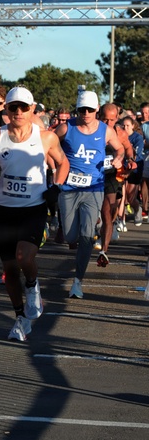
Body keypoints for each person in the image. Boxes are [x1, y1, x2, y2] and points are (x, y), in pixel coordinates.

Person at [0, 86, 68, 341]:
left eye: (23, 107)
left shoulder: (46, 137)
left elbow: (63, 162)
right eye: (13, 107)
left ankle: (33, 285)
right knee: (10, 270)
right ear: (6, 109)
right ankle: (20, 319)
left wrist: (56, 187)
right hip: (4, 210)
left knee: (24, 256)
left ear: (32, 109)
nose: (18, 112)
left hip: (33, 208)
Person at [54, 90, 124, 298]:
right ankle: (85, 227)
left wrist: (118, 159)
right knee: (70, 236)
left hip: (94, 188)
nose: (85, 113)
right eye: (82, 109)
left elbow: (120, 149)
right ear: (77, 109)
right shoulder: (66, 128)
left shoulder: (106, 131)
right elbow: (48, 145)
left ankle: (78, 281)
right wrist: (54, 165)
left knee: (86, 236)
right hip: (68, 188)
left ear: (96, 111)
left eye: (90, 110)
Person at [93, 103, 133, 264]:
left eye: (111, 120)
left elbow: (128, 149)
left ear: (117, 118)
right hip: (91, 176)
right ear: (98, 116)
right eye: (104, 119)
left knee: (107, 212)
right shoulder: (90, 130)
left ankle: (104, 250)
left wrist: (130, 161)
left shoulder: (119, 132)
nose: (108, 123)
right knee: (93, 214)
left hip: (110, 176)